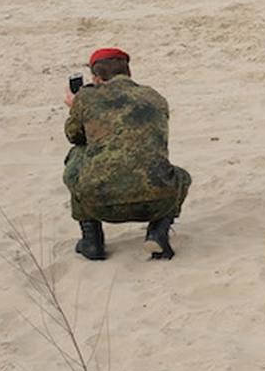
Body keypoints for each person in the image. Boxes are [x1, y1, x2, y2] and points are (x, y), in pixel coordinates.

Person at [63, 48, 192, 260]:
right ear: (128, 72)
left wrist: (74, 106)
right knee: (180, 176)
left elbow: (74, 136)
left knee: (76, 156)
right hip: (158, 199)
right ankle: (158, 233)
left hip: (99, 202)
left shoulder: (86, 98)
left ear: (95, 77)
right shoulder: (155, 97)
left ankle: (92, 240)